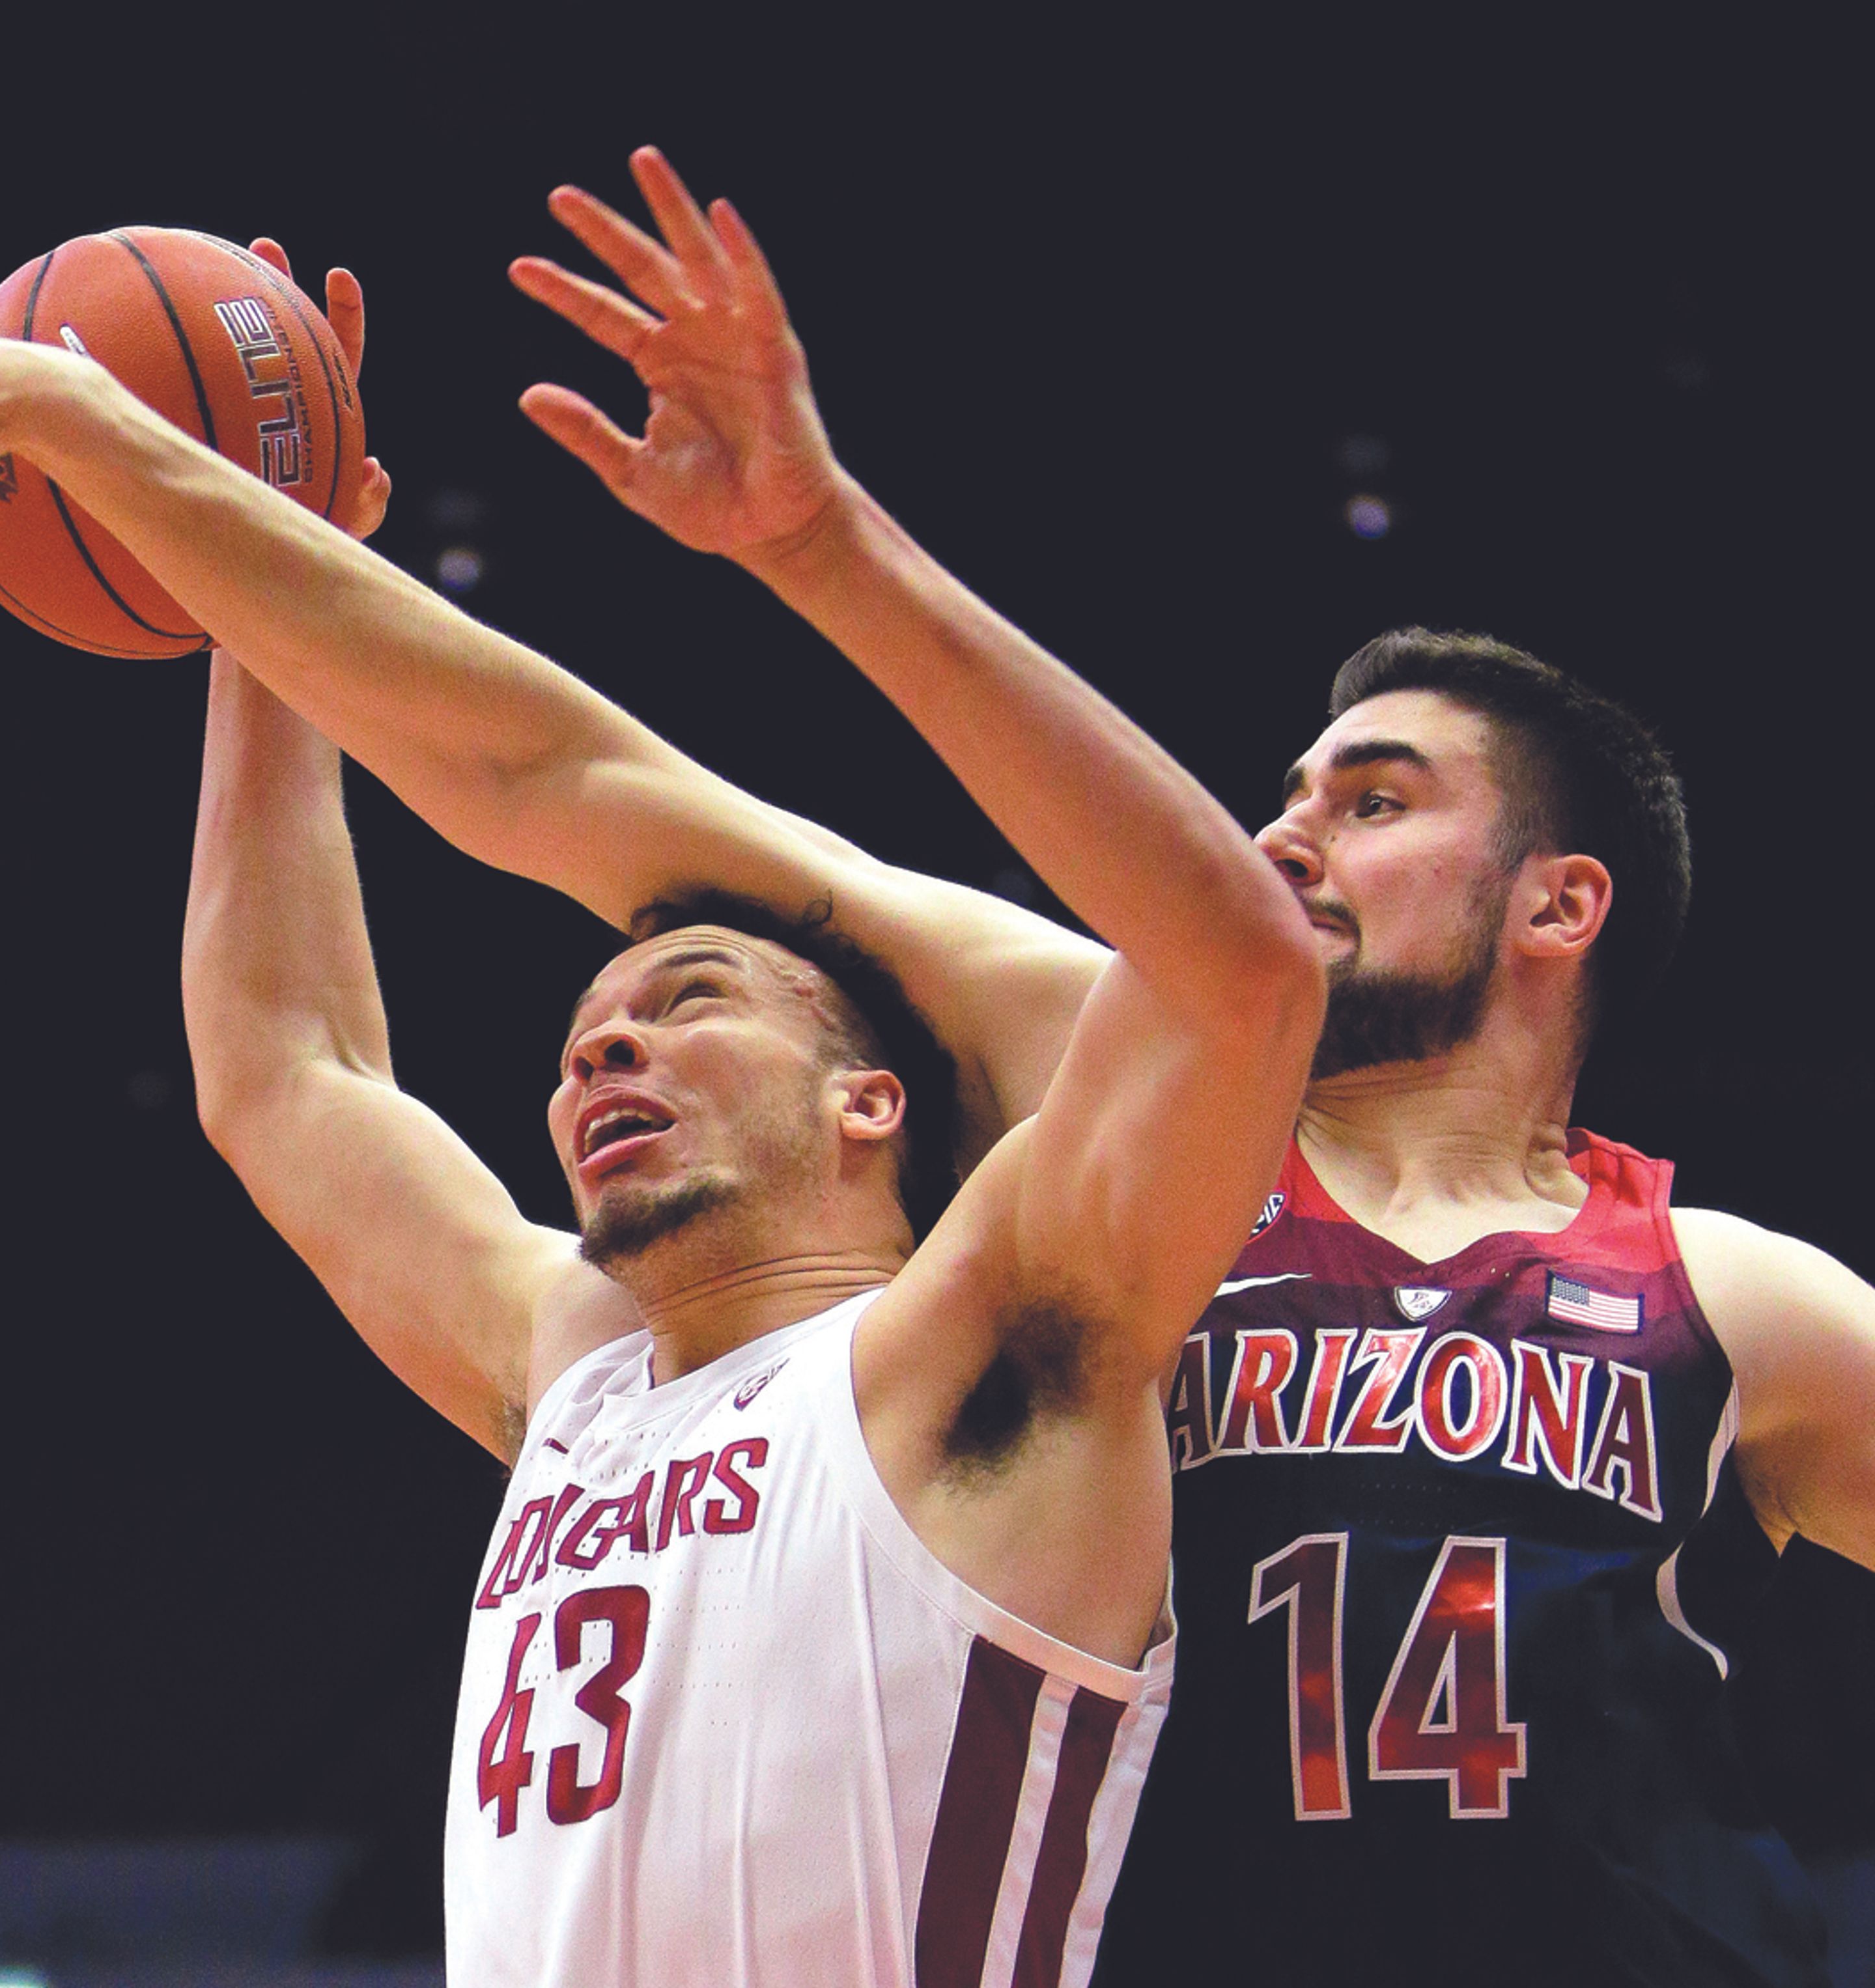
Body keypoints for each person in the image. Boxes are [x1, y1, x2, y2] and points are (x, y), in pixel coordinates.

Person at [0, 188, 1327, 1988]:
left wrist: (88, 426)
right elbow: (288, 1070)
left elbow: (1238, 974)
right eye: (591, 1026)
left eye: (688, 999)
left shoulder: (998, 1344)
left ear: (873, 1106)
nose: (604, 1044)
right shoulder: (578, 1379)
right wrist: (248, 599)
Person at [494, 156, 1875, 1987]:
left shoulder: (1729, 1295)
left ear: (1561, 904)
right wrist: (201, 530)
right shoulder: (1112, 1101)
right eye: (1283, 797)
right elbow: (582, 785)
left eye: (1373, 803)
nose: (1283, 836)